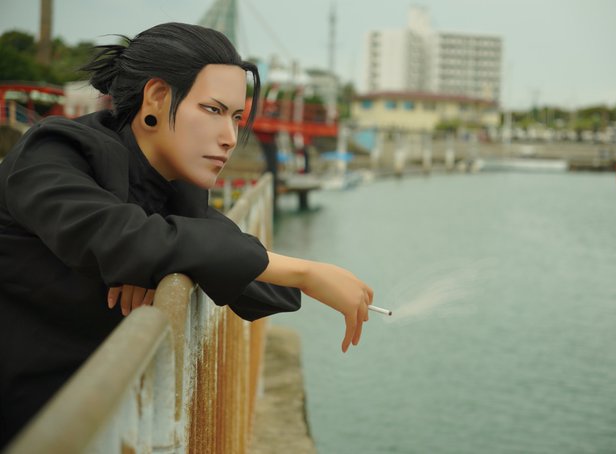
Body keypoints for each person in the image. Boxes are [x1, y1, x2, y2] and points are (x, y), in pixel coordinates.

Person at [0, 22, 373, 446]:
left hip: (95, 423)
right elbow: (125, 241)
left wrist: (162, 261)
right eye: (213, 110)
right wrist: (306, 272)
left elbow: (261, 290)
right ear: (157, 97)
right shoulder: (53, 153)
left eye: (236, 118)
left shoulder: (175, 188)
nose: (230, 138)